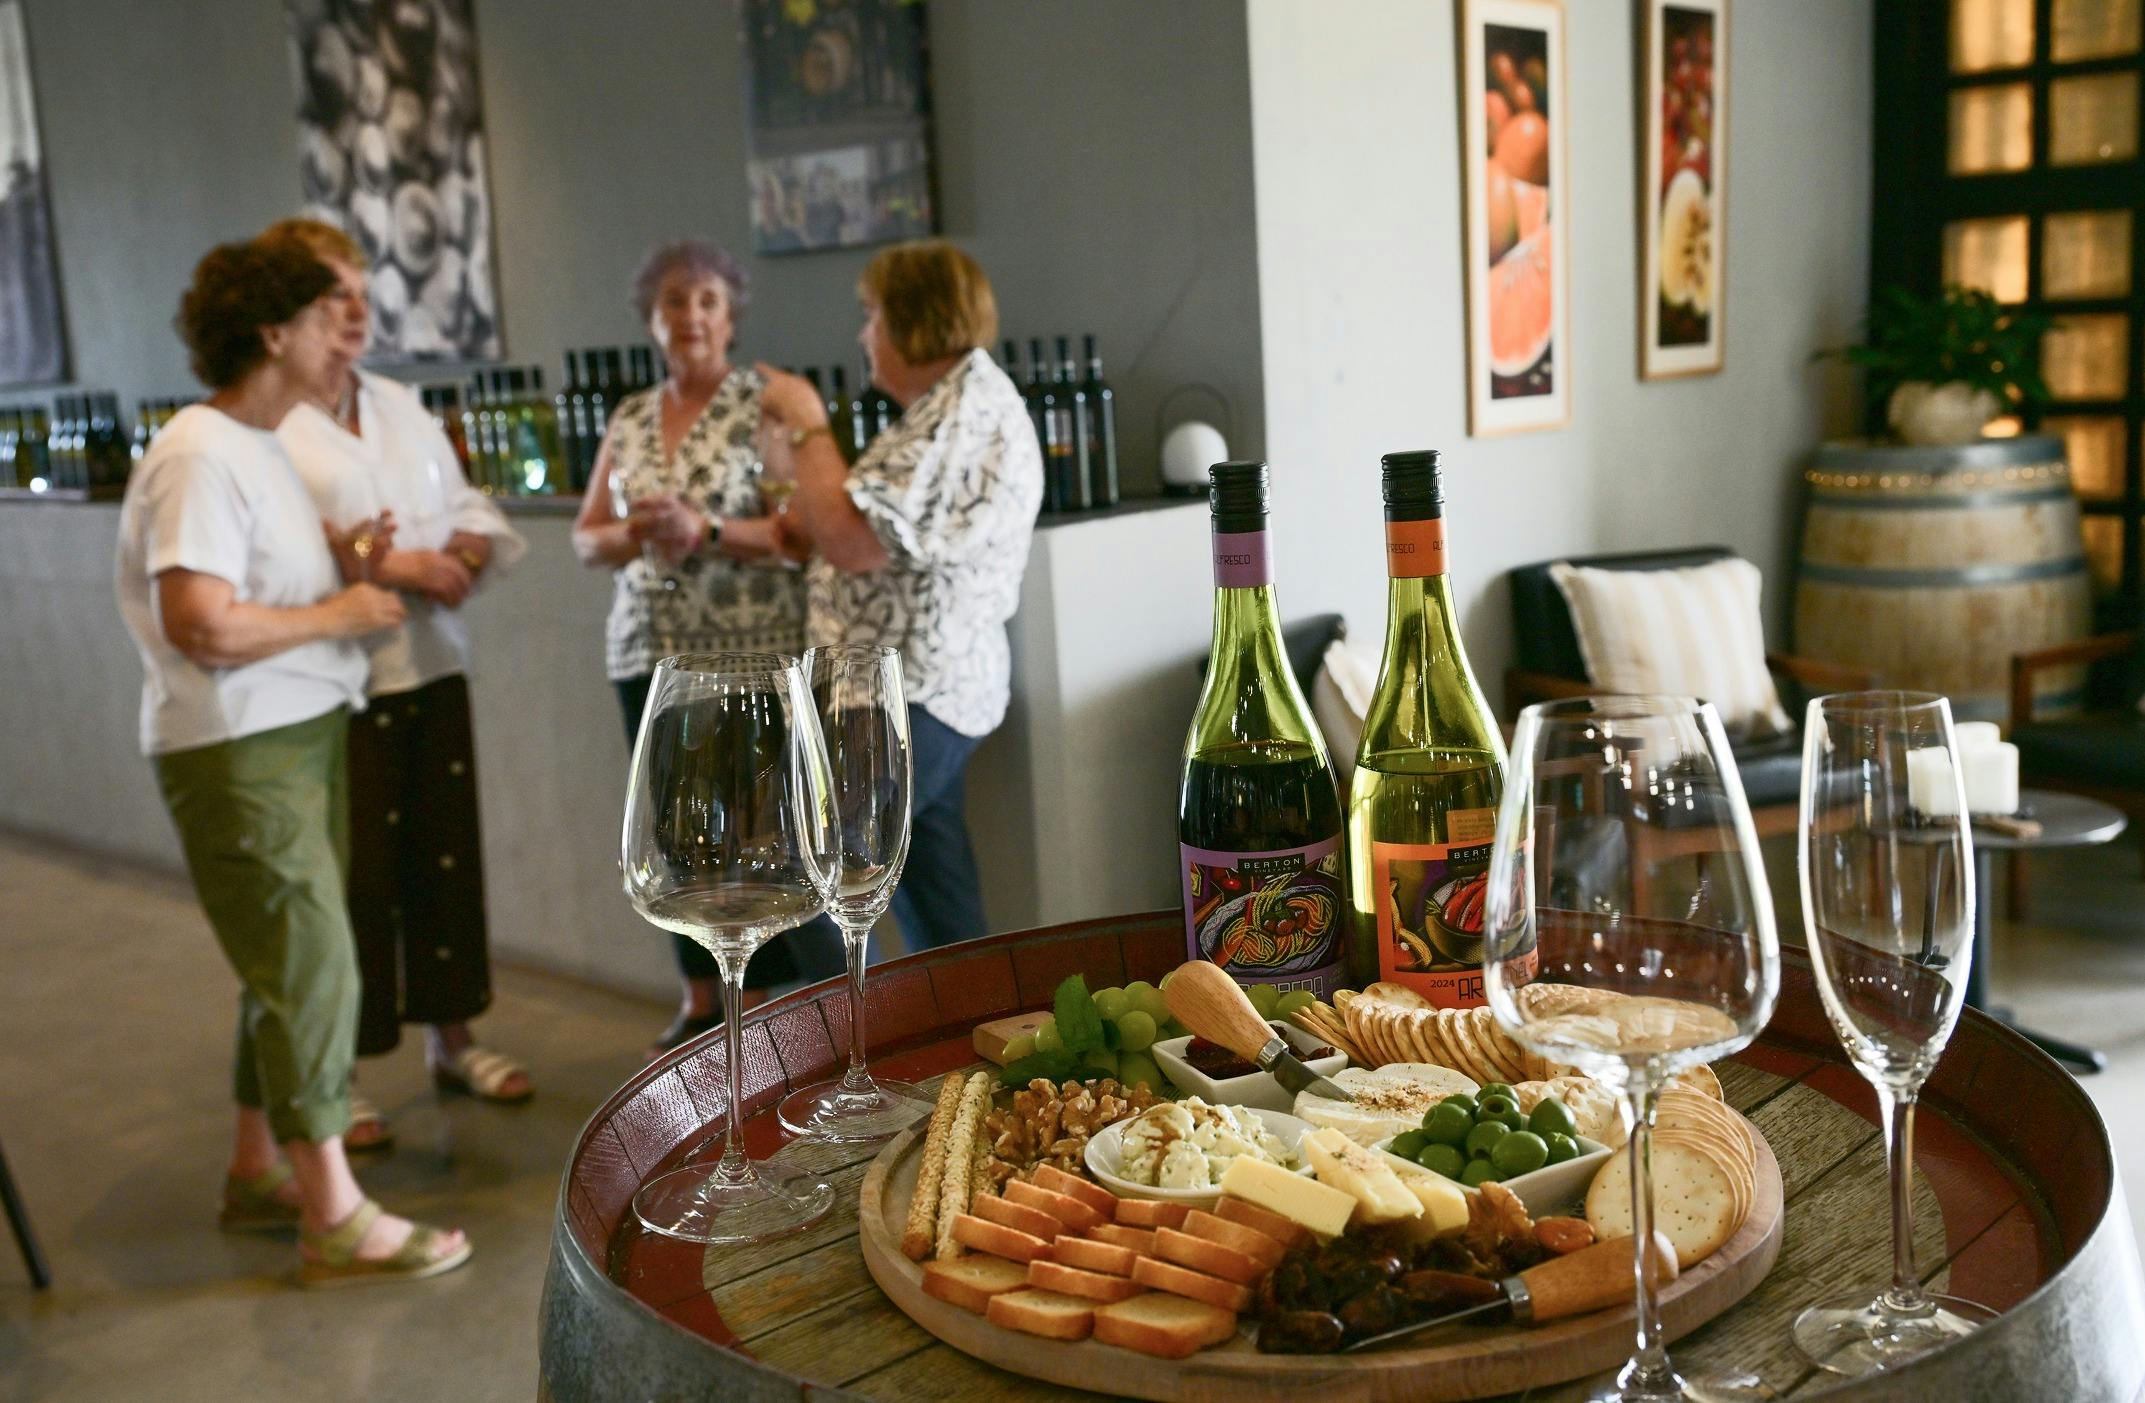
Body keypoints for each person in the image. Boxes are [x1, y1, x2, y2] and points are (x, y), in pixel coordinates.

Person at [115, 234, 469, 1284]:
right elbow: (203, 623)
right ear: (275, 330)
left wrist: (346, 564)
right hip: (239, 741)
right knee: (315, 959)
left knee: (282, 965)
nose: (349, 332)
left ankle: (256, 1163)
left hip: (294, 730)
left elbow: (254, 585)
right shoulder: (200, 450)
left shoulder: (260, 444)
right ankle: (335, 1213)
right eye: (331, 312)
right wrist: (341, 607)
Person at [266, 218, 533, 1150]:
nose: (352, 312)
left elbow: (462, 499)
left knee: (441, 857)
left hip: (430, 665)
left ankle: (452, 1038)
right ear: (283, 315)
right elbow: (287, 552)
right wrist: (389, 562)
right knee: (351, 878)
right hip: (332, 685)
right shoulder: (272, 425)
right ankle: (338, 1071)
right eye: (329, 295)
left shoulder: (398, 404)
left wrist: (455, 548)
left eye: (358, 291)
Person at [570, 238, 841, 1054]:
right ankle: (706, 1004)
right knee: (677, 837)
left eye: (707, 302)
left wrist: (711, 530)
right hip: (649, 652)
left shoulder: (768, 406)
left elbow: (802, 532)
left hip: (752, 653)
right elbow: (587, 539)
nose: (690, 316)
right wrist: (638, 531)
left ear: (731, 317)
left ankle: (803, 1015)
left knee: (769, 840)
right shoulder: (629, 417)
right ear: (651, 319)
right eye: (674, 303)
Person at [761, 240, 1042, 951]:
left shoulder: (964, 410)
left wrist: (805, 419)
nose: (863, 335)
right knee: (937, 906)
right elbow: (849, 533)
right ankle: (964, 1040)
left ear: (913, 318)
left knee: (805, 872)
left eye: (872, 314)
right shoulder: (941, 410)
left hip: (910, 691)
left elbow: (856, 541)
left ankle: (824, 1054)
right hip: (913, 688)